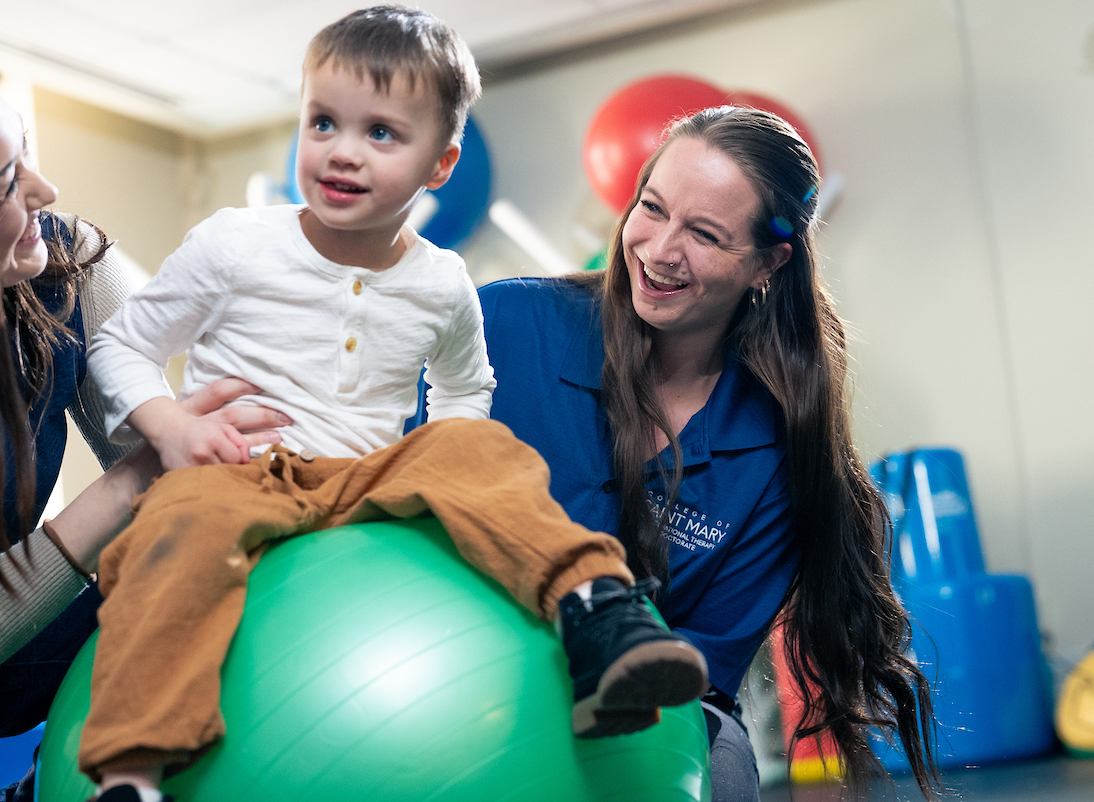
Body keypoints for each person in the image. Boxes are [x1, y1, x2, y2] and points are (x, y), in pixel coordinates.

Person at [80, 7, 707, 802]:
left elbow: (465, 388)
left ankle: (596, 609)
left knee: (484, 453)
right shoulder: (235, 243)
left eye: (382, 133)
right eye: (323, 122)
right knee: (177, 531)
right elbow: (119, 345)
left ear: (440, 164)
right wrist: (170, 424)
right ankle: (130, 773)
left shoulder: (443, 281)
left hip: (367, 477)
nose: (342, 150)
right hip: (241, 469)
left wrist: (447, 457)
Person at [475, 107, 939, 801]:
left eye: (704, 234)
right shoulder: (507, 326)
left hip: (640, 709)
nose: (660, 250)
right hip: (458, 658)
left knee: (721, 768)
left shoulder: (778, 454)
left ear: (767, 263)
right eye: (652, 209)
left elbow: (701, 665)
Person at [0, 44, 286, 802]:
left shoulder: (65, 260)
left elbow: (171, 480)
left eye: (28, 156)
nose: (46, 190)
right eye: (7, 184)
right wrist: (133, 482)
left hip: (22, 633)